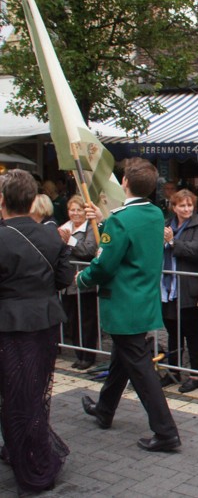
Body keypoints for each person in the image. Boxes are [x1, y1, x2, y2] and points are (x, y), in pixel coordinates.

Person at [78, 158, 181, 452]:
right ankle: (105, 409)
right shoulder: (154, 214)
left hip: (124, 303)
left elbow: (105, 264)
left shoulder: (120, 218)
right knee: (121, 360)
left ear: (124, 182)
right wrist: (104, 221)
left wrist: (82, 278)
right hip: (143, 299)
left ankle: (166, 432)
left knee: (142, 371)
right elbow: (131, 243)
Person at [0, 169, 73, 492]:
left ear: (2, 200)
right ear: (32, 200)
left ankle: (29, 462)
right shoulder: (51, 235)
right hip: (44, 323)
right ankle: (26, 452)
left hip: (10, 326)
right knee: (33, 393)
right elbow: (63, 279)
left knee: (16, 396)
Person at [160, 189, 198, 394]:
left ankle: (195, 375)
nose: (186, 209)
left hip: (189, 289)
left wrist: (173, 242)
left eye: (189, 205)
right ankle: (173, 371)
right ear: (174, 207)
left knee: (192, 334)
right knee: (173, 333)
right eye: (182, 205)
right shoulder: (166, 225)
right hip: (168, 289)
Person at [58, 195, 99, 370]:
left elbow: (88, 250)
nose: (75, 213)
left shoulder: (90, 227)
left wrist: (70, 241)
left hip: (84, 282)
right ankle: (78, 353)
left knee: (87, 321)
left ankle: (88, 355)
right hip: (68, 283)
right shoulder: (64, 227)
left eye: (79, 210)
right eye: (72, 210)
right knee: (72, 321)